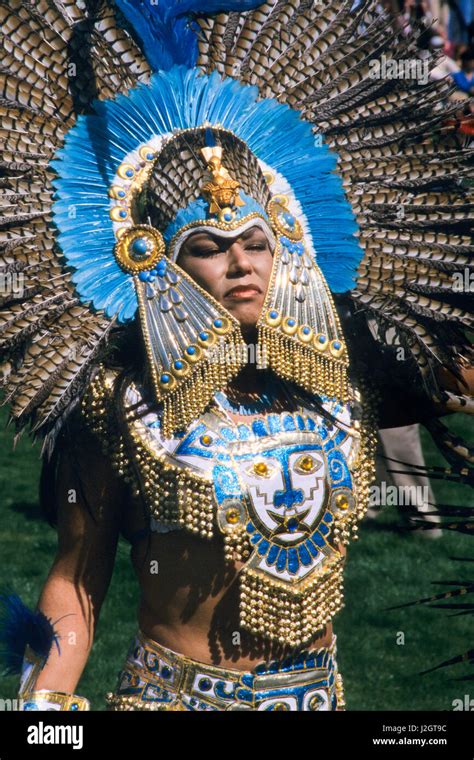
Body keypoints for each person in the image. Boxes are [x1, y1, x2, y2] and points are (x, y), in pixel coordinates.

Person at [0, 0, 472, 712]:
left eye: (256, 242)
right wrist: (44, 710)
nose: (241, 264)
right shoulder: (121, 400)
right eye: (210, 248)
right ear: (159, 264)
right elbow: (78, 575)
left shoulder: (348, 375)